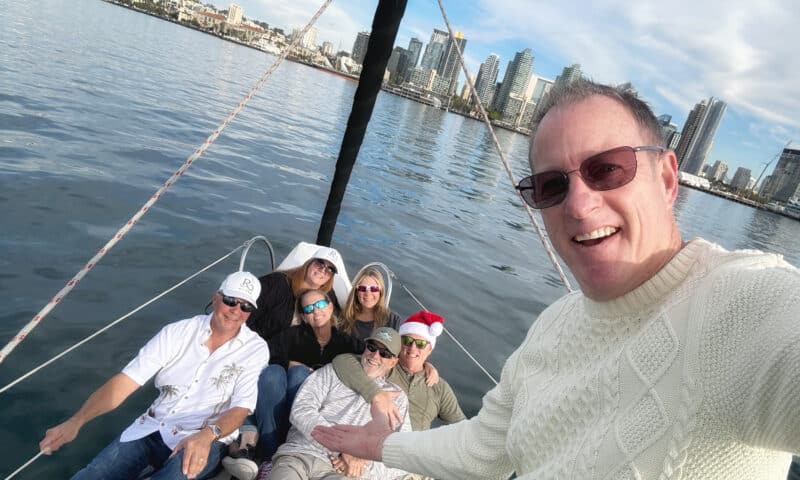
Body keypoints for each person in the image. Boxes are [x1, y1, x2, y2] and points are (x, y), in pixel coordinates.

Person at [311, 79, 800, 479]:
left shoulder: (742, 304)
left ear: (668, 179)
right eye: (551, 185)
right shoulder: (554, 325)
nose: (579, 204)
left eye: (607, 169)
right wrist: (388, 446)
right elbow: (486, 446)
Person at [39, 271, 269, 480]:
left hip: (204, 437)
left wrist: (208, 435)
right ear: (217, 297)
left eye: (245, 307)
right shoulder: (177, 332)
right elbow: (126, 382)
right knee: (92, 475)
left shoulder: (255, 349)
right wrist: (76, 421)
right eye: (231, 301)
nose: (236, 311)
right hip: (152, 427)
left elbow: (241, 408)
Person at [223, 289, 354, 479]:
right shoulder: (292, 335)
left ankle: (265, 448)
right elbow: (264, 354)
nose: (316, 311)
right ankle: (269, 456)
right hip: (279, 410)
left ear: (331, 306)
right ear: (303, 316)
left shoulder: (346, 344)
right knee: (274, 372)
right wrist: (291, 364)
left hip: (310, 416)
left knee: (300, 374)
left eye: (320, 305)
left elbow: (368, 361)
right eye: (308, 309)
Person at [268, 327, 412, 479]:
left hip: (340, 472)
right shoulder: (333, 371)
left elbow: (401, 451)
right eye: (372, 347)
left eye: (384, 353)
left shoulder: (398, 398)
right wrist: (342, 447)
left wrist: (362, 459)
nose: (375, 355)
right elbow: (301, 410)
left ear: (393, 362)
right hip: (301, 454)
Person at [332, 310, 465, 433]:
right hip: (376, 445)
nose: (412, 348)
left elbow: (462, 426)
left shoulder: (440, 388)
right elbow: (343, 362)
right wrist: (375, 393)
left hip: (415, 452)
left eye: (420, 344)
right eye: (407, 341)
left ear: (430, 349)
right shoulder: (385, 364)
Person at [247, 246, 343, 348]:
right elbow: (246, 314)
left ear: (331, 277)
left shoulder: (328, 297)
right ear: (309, 263)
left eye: (330, 269)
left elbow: (336, 325)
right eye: (320, 263)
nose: (323, 270)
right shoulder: (277, 283)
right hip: (257, 347)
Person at [340, 266, 402, 353]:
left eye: (374, 289)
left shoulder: (393, 321)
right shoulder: (344, 317)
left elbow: (400, 352)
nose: (368, 294)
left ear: (381, 291)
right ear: (356, 292)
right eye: (362, 288)